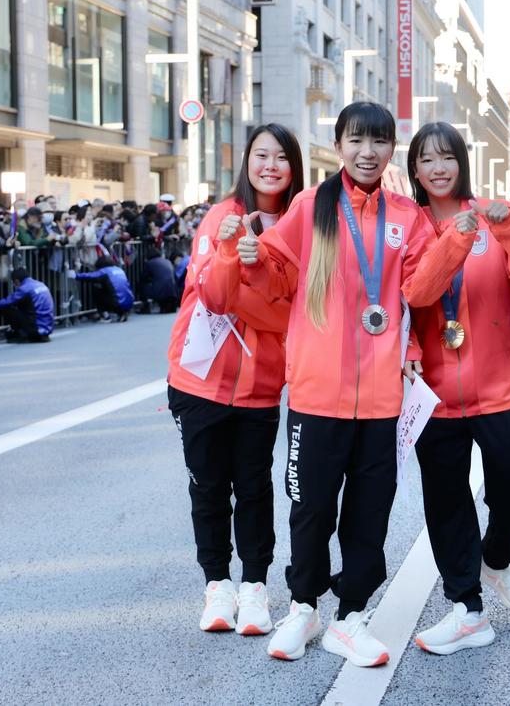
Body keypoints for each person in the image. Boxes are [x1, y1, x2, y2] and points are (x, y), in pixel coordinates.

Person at [213, 101, 472, 666]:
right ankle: (303, 608)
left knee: (369, 512)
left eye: (379, 142)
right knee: (309, 510)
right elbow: (276, 277)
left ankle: (351, 616)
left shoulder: (407, 215)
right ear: (338, 146)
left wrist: (454, 243)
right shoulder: (311, 206)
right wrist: (252, 258)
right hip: (315, 394)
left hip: (382, 398)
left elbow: (420, 293)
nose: (368, 152)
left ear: (390, 149)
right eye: (357, 141)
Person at [403, 123, 510, 655]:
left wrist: (509, 228)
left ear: (462, 162)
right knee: (446, 504)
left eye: (447, 157)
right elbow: (416, 292)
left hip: (502, 388)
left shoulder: (498, 212)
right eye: (427, 159)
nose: (438, 167)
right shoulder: (410, 222)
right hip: (436, 395)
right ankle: (467, 608)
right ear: (415, 169)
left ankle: (497, 557)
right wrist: (457, 240)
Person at [166, 123, 303, 637]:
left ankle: (254, 588)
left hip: (261, 386)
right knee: (207, 487)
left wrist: (268, 304)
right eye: (261, 155)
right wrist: (231, 257)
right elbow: (214, 297)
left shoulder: (297, 224)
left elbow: (294, 313)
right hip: (199, 382)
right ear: (246, 161)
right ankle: (216, 586)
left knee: (253, 487)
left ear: (293, 167)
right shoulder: (222, 217)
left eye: (280, 157)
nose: (270, 165)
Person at [0, 268, 54, 342]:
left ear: (17, 281)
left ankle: (20, 333)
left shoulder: (25, 289)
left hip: (36, 329)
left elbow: (6, 302)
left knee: (6, 308)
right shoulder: (41, 284)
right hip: (48, 327)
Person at [72, 256, 134, 321]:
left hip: (117, 302)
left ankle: (105, 316)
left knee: (97, 290)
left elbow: (91, 276)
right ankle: (122, 313)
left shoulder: (104, 271)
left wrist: (75, 275)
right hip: (130, 302)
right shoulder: (119, 269)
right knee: (111, 290)